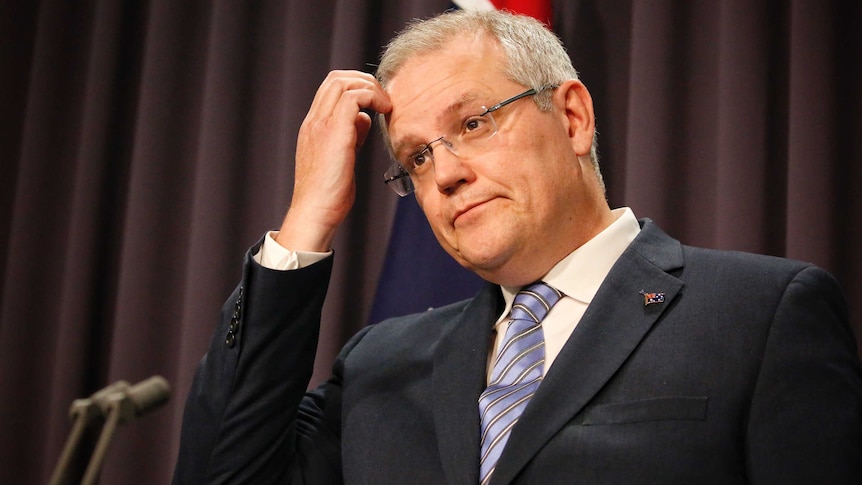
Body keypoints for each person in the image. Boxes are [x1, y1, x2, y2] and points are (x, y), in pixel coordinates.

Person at [173, 9, 862, 484]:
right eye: (415, 157)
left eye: (473, 122)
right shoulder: (380, 363)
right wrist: (304, 225)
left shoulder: (760, 314)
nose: (444, 173)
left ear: (572, 116)